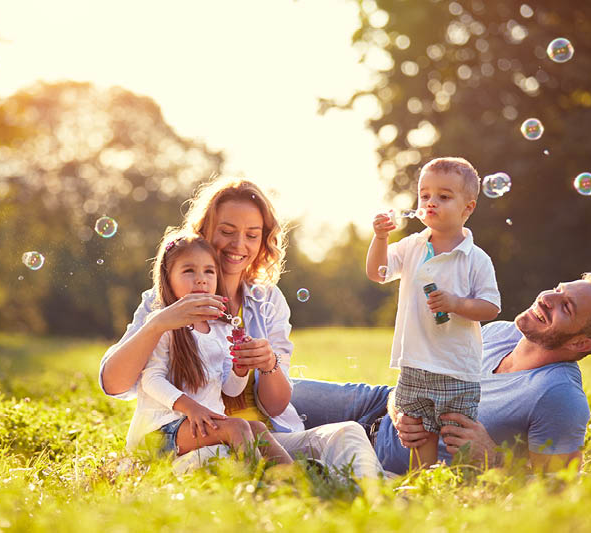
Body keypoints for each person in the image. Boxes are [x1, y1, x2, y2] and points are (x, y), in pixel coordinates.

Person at [99, 177, 383, 477]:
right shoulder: (164, 301)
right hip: (198, 440)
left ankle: (374, 499)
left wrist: (266, 364)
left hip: (266, 436)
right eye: (227, 231)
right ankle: (293, 485)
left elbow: (273, 406)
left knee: (348, 433)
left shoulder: (267, 300)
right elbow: (114, 383)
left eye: (252, 235)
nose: (239, 245)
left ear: (263, 240)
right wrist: (156, 324)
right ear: (204, 231)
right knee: (224, 460)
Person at [290, 272, 591, 474]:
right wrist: (398, 405)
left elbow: (557, 491)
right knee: (268, 390)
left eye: (565, 306)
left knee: (267, 445)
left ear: (581, 343)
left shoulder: (559, 397)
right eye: (557, 290)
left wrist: (493, 458)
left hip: (386, 458)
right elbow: (420, 376)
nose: (546, 298)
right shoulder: (500, 333)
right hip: (377, 403)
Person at [366, 157, 501, 468]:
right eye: (424, 195)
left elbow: (491, 307)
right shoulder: (412, 246)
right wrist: (381, 238)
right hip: (414, 362)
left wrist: (456, 304)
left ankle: (466, 485)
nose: (430, 203)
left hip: (457, 367)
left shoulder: (475, 259)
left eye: (443, 196)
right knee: (418, 434)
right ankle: (423, 485)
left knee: (458, 436)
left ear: (468, 207)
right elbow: (378, 271)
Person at [128, 234, 292, 464]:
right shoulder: (163, 323)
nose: (201, 279)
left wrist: (239, 369)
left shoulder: (219, 329)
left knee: (256, 429)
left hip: (202, 424)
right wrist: (192, 408)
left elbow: (231, 390)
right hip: (160, 431)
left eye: (209, 271)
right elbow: (151, 379)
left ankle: (293, 479)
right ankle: (258, 484)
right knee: (236, 427)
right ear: (168, 278)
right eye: (189, 271)